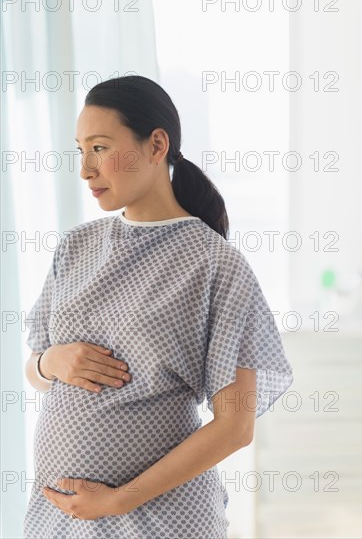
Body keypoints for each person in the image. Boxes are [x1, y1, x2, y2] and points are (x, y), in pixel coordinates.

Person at [23, 75, 294, 538]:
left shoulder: (214, 264)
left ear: (156, 145)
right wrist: (51, 362)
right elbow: (34, 370)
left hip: (160, 520)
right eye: (80, 150)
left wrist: (117, 500)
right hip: (60, 519)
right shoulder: (75, 247)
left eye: (101, 148)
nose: (86, 169)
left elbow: (235, 426)